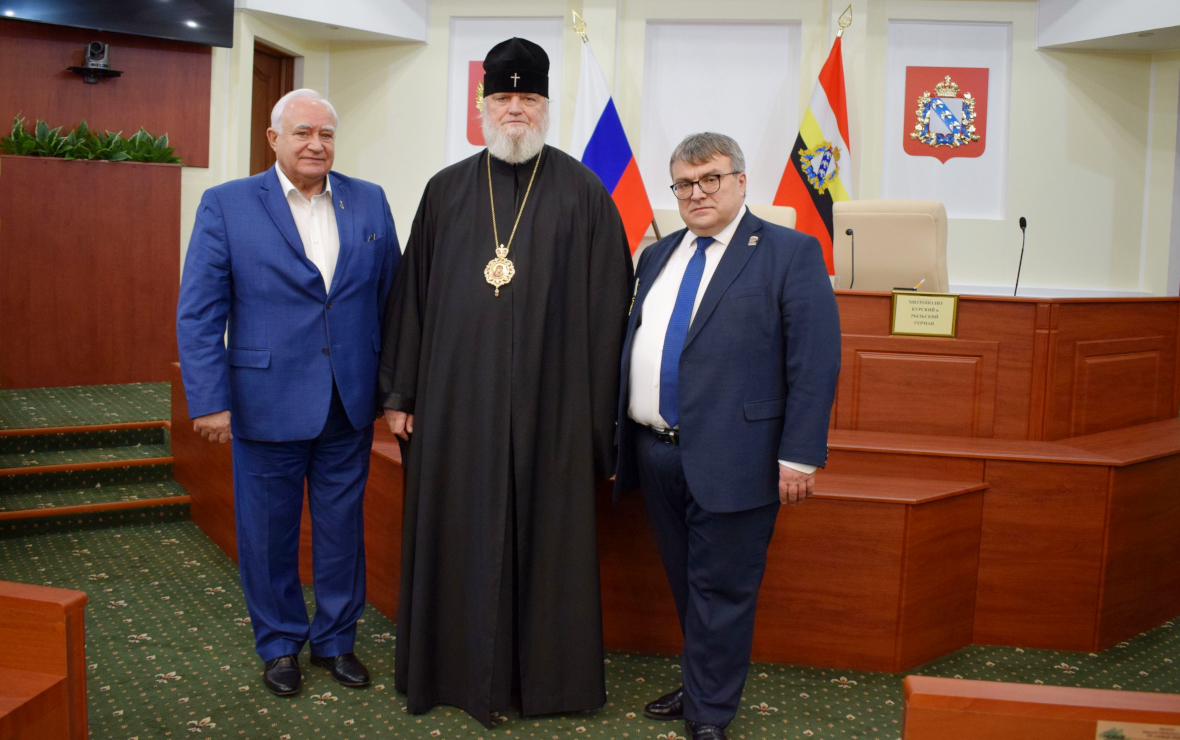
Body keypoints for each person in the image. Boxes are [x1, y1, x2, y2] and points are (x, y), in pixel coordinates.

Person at [378, 37, 633, 727]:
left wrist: (598, 420)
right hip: (457, 408)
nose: (514, 110)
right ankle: (453, 674)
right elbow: (414, 299)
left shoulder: (584, 192)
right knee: (457, 536)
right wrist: (401, 395)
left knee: (547, 546)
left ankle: (546, 684)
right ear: (482, 105)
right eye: (502, 98)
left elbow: (613, 311)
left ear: (546, 107)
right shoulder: (445, 191)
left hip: (554, 412)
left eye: (527, 99)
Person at [614, 133, 841, 740]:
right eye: (685, 184)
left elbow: (814, 363)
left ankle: (710, 711)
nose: (698, 193)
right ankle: (701, 681)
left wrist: (800, 457)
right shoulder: (656, 258)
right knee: (689, 583)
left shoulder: (790, 252)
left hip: (739, 456)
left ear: (741, 182)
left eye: (711, 179)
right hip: (655, 452)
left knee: (723, 589)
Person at [176, 89, 400, 697]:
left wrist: (395, 390)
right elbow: (199, 312)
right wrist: (209, 398)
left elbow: (394, 305)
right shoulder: (226, 205)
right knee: (268, 533)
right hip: (263, 400)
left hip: (348, 402)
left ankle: (335, 640)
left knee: (341, 529)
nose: (316, 145)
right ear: (273, 139)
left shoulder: (370, 201)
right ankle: (278, 645)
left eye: (326, 134)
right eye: (302, 133)